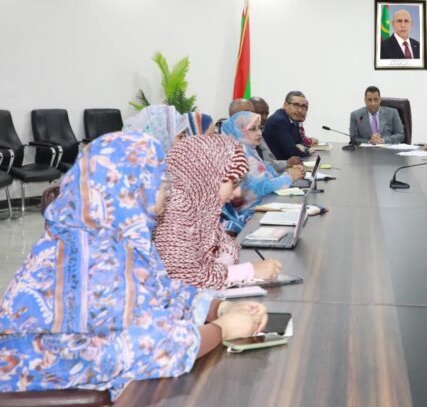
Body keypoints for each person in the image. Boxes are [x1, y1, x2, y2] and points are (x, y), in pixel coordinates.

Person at [0, 132, 267, 400]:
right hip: (58, 396)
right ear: (130, 187)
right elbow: (149, 349)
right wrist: (223, 329)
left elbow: (165, 289)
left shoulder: (118, 236)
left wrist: (219, 308)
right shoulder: (88, 257)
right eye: (160, 181)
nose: (168, 190)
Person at [154, 134, 283, 289]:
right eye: (234, 182)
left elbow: (230, 247)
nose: (237, 193)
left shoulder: (201, 206)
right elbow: (186, 279)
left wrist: (216, 270)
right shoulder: (175, 207)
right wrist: (249, 271)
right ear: (207, 175)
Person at [220, 112, 306, 235]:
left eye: (259, 128)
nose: (259, 133)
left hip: (262, 209)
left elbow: (267, 176)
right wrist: (290, 177)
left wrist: (289, 173)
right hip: (250, 217)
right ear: (238, 131)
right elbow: (261, 187)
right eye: (252, 129)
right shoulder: (240, 155)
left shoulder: (249, 150)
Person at [263, 91, 311, 159]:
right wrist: (308, 151)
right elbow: (292, 153)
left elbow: (301, 142)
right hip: (278, 163)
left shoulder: (293, 118)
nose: (300, 110)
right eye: (296, 105)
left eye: (303, 106)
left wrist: (300, 147)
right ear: (285, 105)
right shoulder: (278, 121)